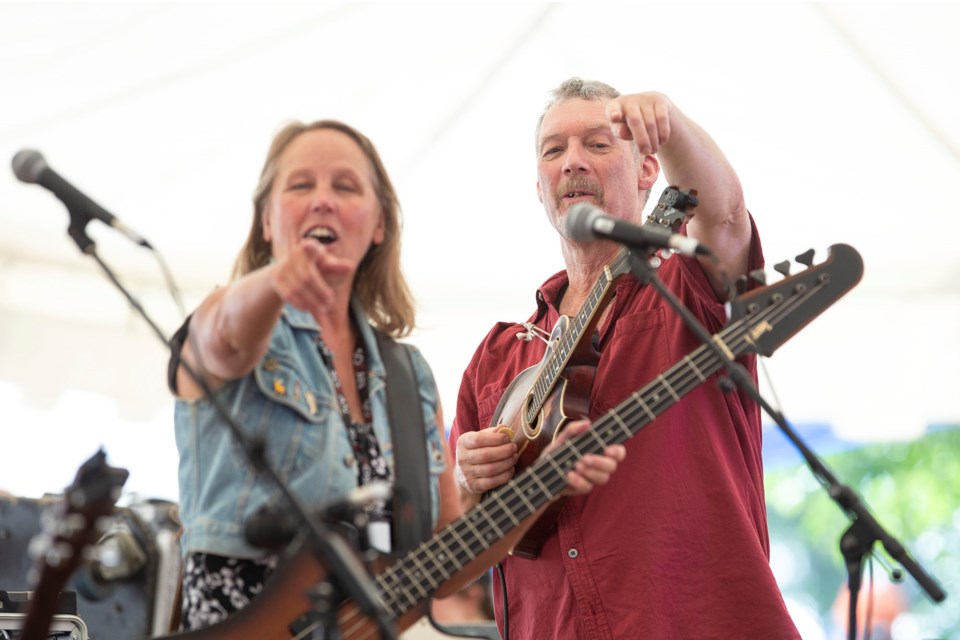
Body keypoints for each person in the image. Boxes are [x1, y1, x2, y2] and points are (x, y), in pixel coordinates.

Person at [167, 118, 623, 633]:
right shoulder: (230, 324)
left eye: (345, 187)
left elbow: (441, 562)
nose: (323, 200)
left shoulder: (407, 376)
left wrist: (543, 486)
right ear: (267, 222)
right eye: (300, 186)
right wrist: (274, 282)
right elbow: (220, 336)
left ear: (379, 224)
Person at [450, 78, 802, 639]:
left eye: (598, 143)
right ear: (539, 187)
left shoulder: (686, 290)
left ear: (646, 172)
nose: (572, 163)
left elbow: (727, 217)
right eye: (553, 150)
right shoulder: (496, 356)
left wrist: (671, 122)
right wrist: (470, 483)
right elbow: (452, 555)